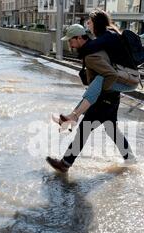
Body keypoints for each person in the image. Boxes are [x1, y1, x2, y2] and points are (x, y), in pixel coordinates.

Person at [46, 24, 136, 173]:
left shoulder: (92, 55)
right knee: (111, 128)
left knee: (84, 129)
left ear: (80, 38)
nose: (70, 44)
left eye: (71, 40)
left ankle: (65, 163)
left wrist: (101, 92)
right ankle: (129, 157)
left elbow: (109, 75)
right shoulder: (94, 50)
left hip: (104, 97)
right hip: (112, 96)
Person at [57, 9, 139, 128]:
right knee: (111, 130)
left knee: (99, 80)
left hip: (129, 80)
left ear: (97, 23)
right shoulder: (108, 34)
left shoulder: (107, 36)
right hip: (124, 76)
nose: (87, 25)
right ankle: (72, 116)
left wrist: (102, 90)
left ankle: (73, 116)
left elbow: (88, 47)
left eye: (89, 22)